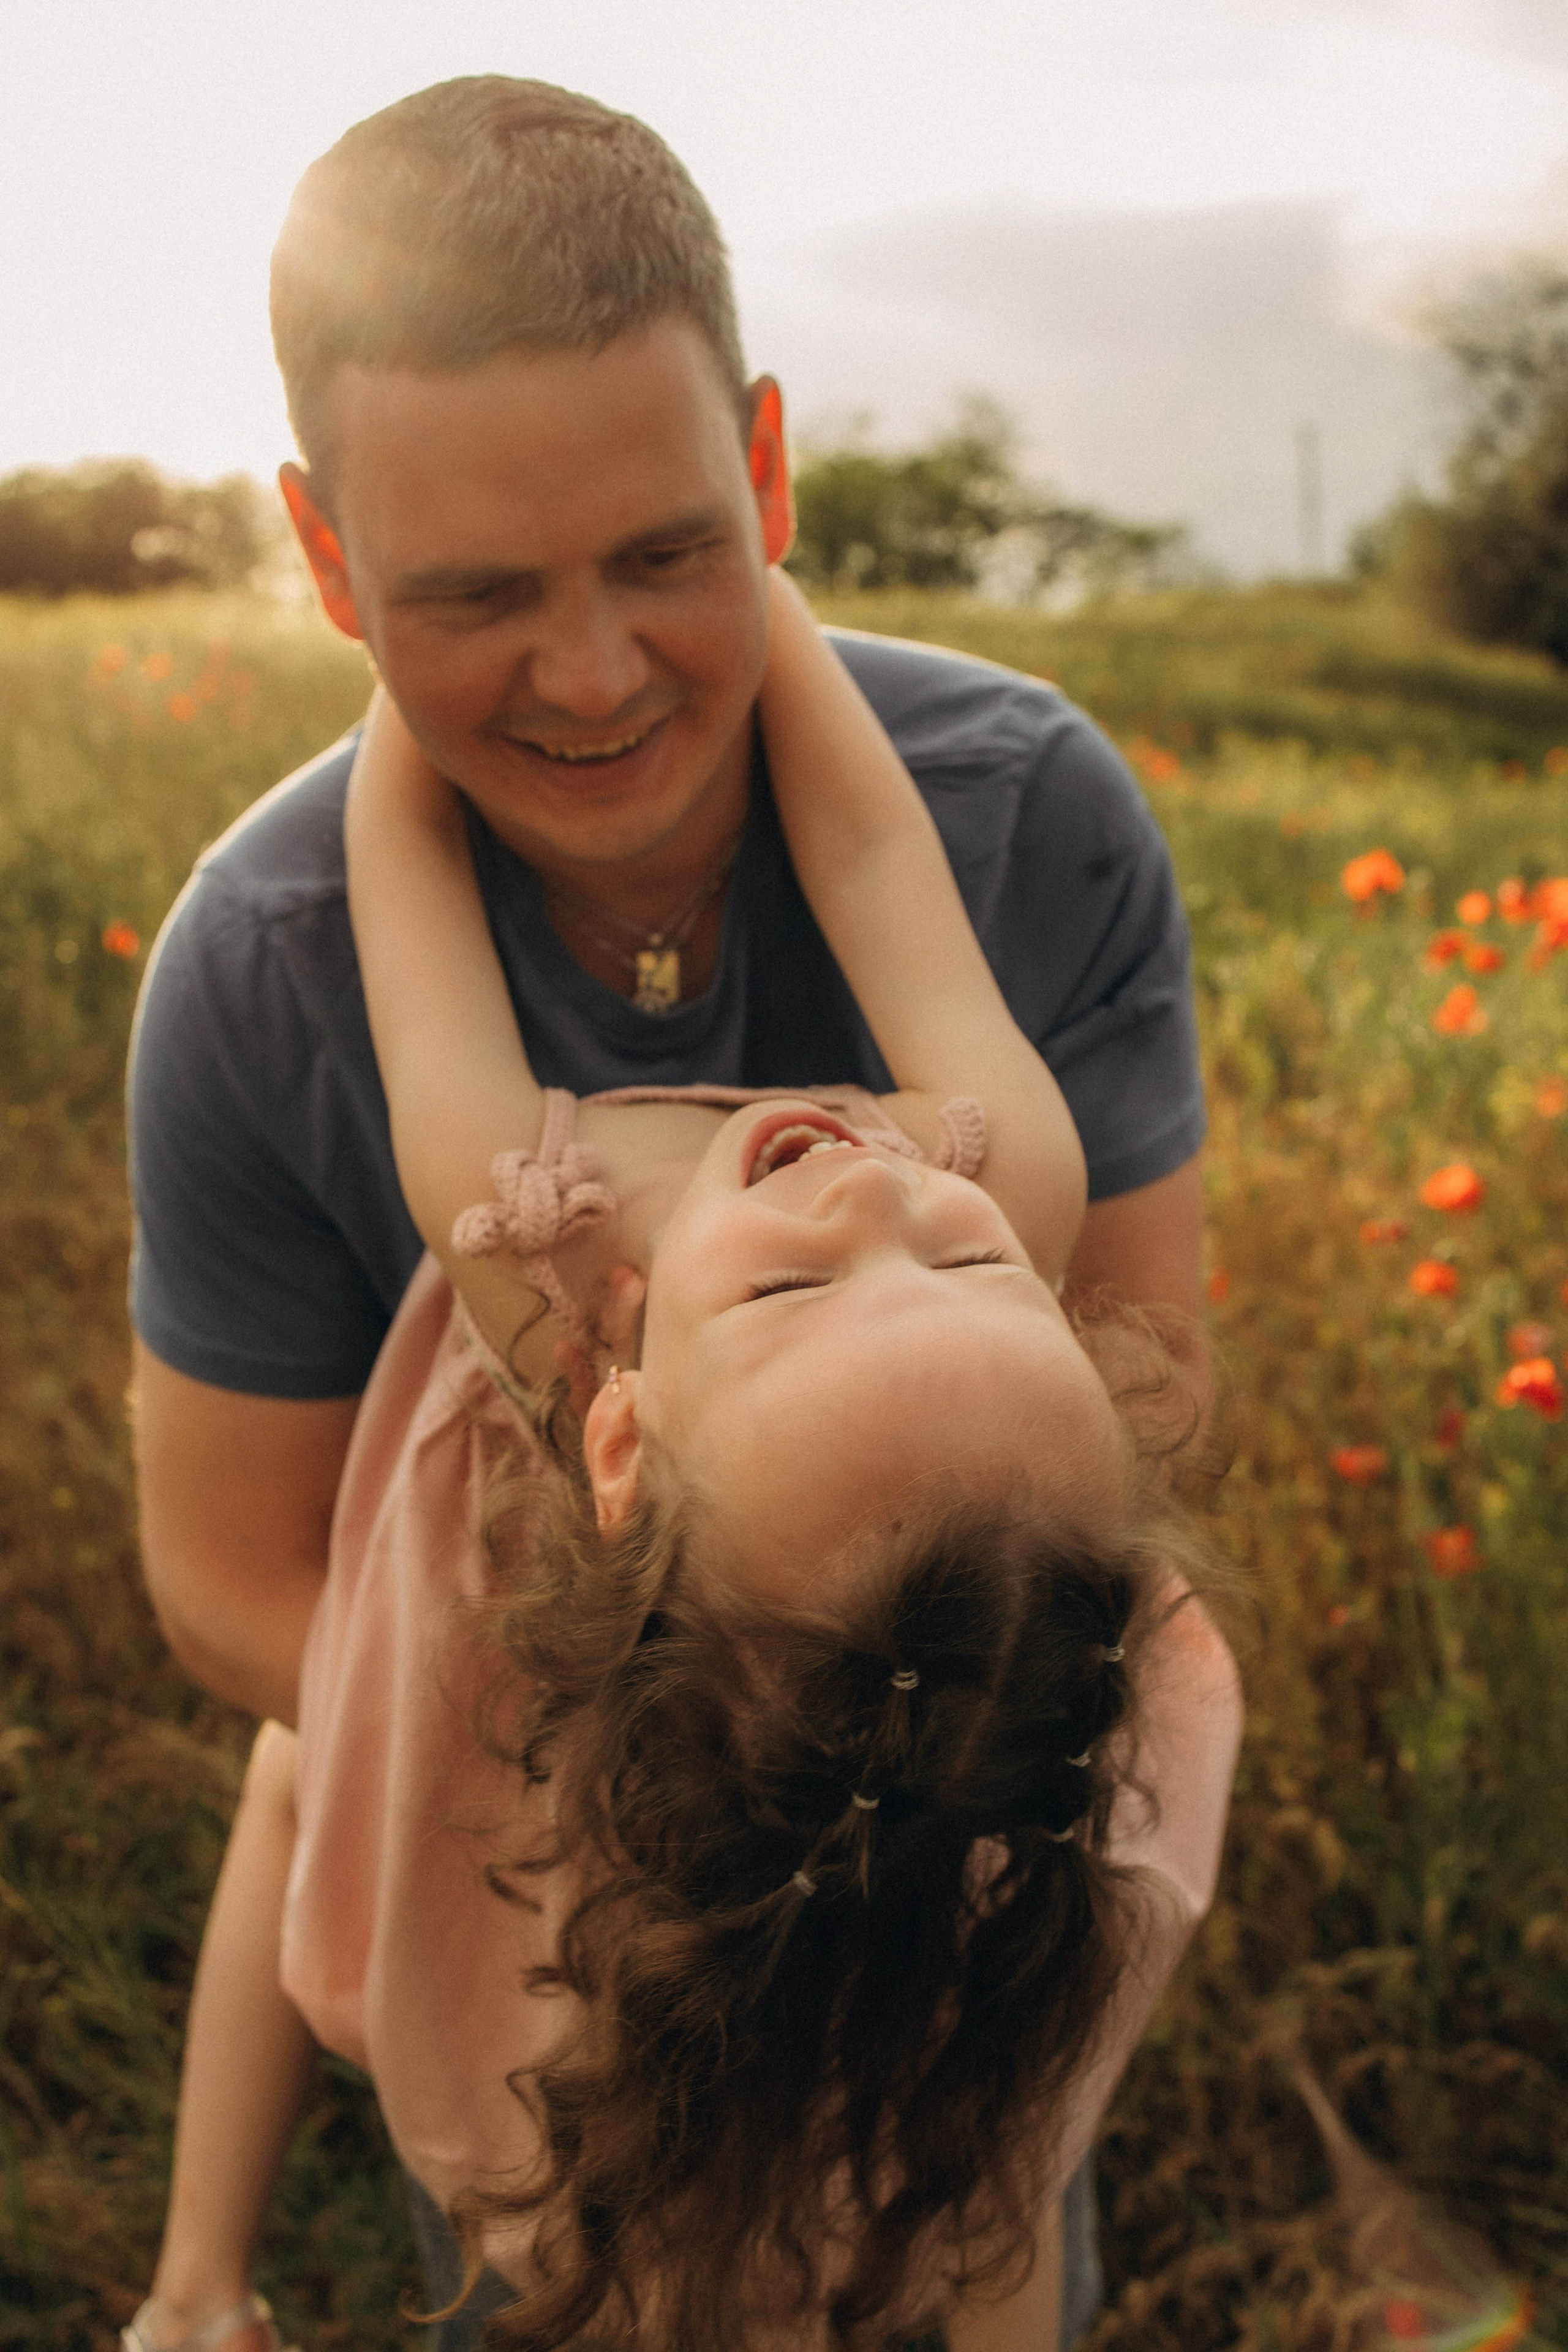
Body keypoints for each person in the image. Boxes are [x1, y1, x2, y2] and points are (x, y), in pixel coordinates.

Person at [128, 74, 1211, 2349]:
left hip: (928, 1849)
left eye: (668, 551)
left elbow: (494, 917)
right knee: (616, 2253)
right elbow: (227, 1584)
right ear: (331, 564)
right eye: (473, 591)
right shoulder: (979, 1167)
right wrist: (688, 1782)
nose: (600, 676)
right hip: (576, 1894)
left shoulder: (552, 1260)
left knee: (951, 2209)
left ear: (768, 474)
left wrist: (868, 1782)